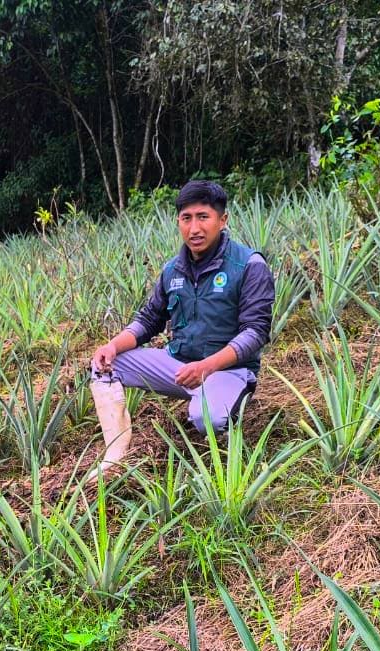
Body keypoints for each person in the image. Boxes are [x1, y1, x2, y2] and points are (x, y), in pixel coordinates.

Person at [88, 179, 274, 477]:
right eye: (186, 218)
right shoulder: (173, 269)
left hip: (229, 370)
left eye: (203, 217)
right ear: (178, 221)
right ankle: (115, 453)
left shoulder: (249, 265)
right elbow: (149, 320)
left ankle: (227, 415)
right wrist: (112, 346)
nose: (194, 228)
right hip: (179, 365)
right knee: (106, 365)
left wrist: (208, 367)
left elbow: (256, 332)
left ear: (222, 220)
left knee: (207, 418)